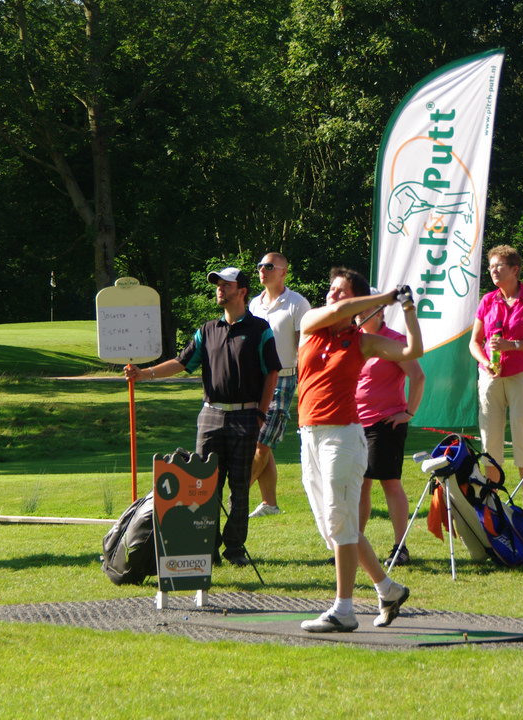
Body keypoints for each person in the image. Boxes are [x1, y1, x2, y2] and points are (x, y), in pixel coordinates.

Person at [124, 267, 280, 566]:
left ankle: (234, 548)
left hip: (246, 416)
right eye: (218, 284)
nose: (220, 288)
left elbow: (272, 371)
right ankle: (206, 546)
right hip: (210, 417)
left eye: (226, 284)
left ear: (242, 291)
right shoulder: (207, 330)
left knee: (239, 487)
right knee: (204, 486)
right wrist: (145, 374)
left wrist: (261, 413)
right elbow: (182, 363)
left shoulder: (260, 330)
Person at [296, 267, 421, 633]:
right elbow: (337, 311)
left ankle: (344, 610)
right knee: (335, 526)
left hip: (344, 437)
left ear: (358, 302)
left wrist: (407, 309)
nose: (332, 296)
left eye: (341, 291)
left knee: (341, 521)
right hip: (309, 435)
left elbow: (413, 351)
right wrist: (387, 297)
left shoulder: (364, 341)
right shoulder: (311, 325)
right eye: (331, 289)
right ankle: (388, 589)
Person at [467, 245, 523, 519]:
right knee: (489, 440)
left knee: (522, 436)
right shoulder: (487, 300)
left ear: (515, 270)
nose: (493, 270)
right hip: (490, 377)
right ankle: (492, 502)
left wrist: (512, 345)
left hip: (522, 375)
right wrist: (485, 362)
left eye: (498, 266)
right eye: (491, 266)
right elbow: (474, 342)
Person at [355, 297, 425, 567]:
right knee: (360, 484)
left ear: (379, 311)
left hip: (385, 424)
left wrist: (408, 413)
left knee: (390, 483)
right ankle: (354, 545)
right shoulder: (355, 339)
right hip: (355, 423)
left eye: (364, 308)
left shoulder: (394, 341)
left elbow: (418, 376)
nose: (358, 313)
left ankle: (400, 547)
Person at [247, 252, 312, 517]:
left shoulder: (298, 303)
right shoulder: (254, 304)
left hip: (284, 378)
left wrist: (305, 382)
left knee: (262, 444)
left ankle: (236, 495)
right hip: (255, 379)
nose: (262, 270)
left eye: (269, 266)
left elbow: (305, 348)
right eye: (260, 266)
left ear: (283, 272)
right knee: (262, 442)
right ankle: (270, 504)